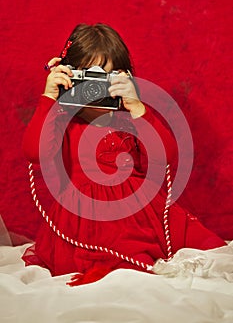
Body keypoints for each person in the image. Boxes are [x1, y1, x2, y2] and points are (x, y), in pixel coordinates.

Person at [22, 23, 225, 285]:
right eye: (88, 77)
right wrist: (49, 97)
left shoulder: (129, 116)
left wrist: (138, 107)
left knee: (212, 249)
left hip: (142, 215)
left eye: (105, 77)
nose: (95, 88)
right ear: (69, 75)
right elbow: (32, 152)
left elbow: (166, 157)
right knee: (119, 267)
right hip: (83, 219)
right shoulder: (63, 117)